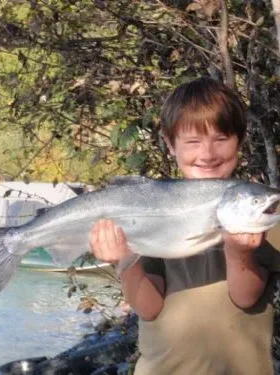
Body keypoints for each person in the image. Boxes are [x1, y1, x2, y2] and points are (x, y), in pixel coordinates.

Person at [90, 76, 280, 374]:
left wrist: (239, 254)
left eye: (220, 139)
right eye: (192, 141)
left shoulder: (262, 213)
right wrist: (124, 259)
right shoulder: (154, 210)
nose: (207, 153)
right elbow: (149, 307)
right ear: (170, 144)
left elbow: (246, 298)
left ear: (240, 141)